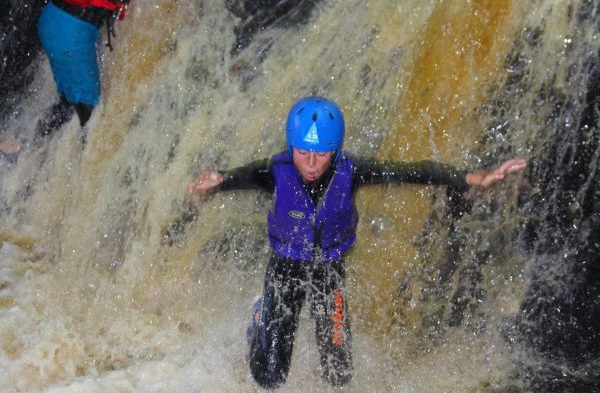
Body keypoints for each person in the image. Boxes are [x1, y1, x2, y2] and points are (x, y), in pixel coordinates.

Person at [188, 97, 527, 389]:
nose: (309, 163)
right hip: (285, 267)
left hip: (329, 270)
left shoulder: (353, 170)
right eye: (302, 151)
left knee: (339, 372)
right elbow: (234, 178)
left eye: (320, 154)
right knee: (270, 378)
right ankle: (260, 316)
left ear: (335, 151)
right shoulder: (274, 169)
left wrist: (474, 178)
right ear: (291, 146)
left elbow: (414, 171)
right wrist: (216, 182)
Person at [36, 0, 133, 137]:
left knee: (71, 102)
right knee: (93, 116)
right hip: (70, 34)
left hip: (55, 21)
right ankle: (87, 158)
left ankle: (28, 145)